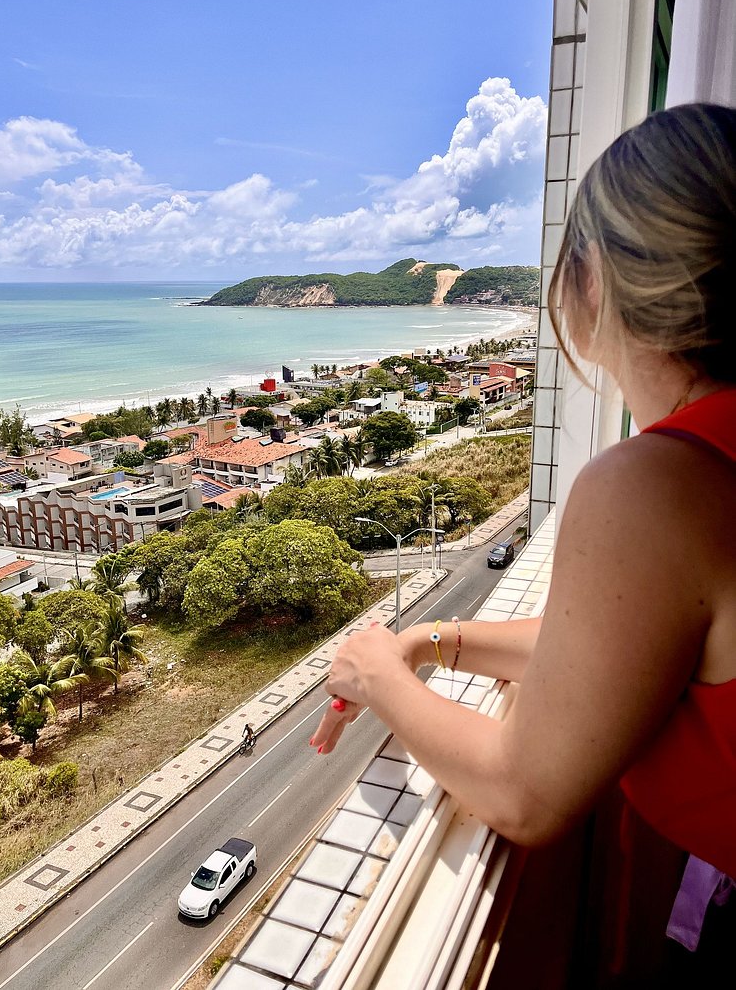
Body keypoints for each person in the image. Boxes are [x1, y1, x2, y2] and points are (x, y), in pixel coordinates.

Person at [310, 103, 736, 880]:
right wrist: (432, 641)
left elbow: (523, 790)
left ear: (597, 281)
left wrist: (381, 677)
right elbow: (610, 641)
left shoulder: (660, 482)